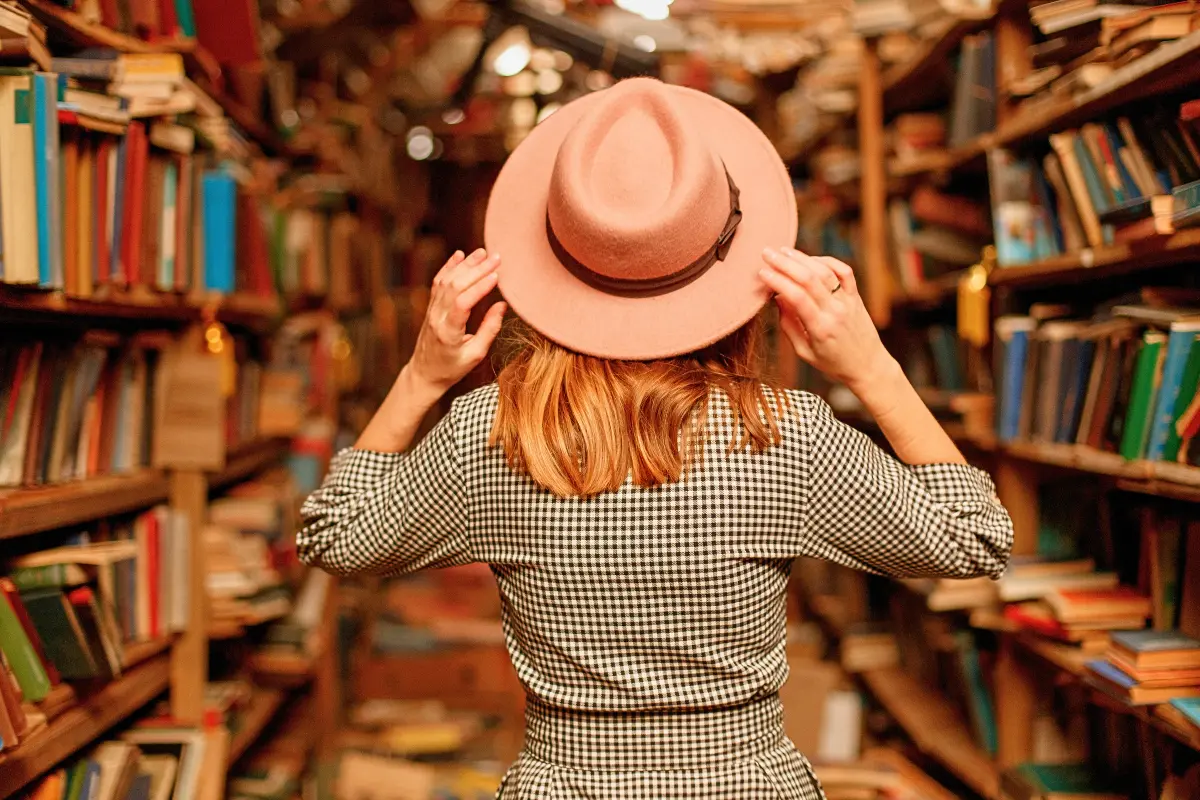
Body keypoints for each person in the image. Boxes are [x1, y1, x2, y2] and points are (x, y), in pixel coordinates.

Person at [298, 78, 1013, 799]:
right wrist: (872, 365)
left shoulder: (492, 433)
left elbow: (335, 537)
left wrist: (420, 376)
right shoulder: (781, 434)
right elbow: (976, 536)